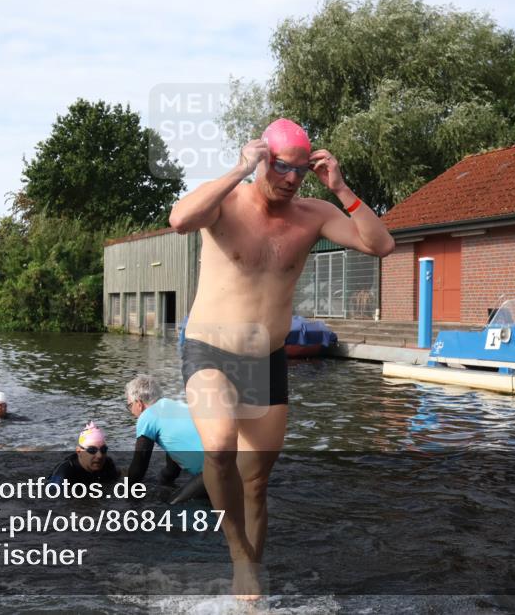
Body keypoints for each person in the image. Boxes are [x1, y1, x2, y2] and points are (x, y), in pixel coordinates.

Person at [168, 117, 394, 598]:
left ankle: (252, 584)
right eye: (281, 168)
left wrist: (341, 188)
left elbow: (382, 245)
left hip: (267, 360)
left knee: (256, 484)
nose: (291, 180)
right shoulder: (224, 203)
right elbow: (180, 220)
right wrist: (237, 170)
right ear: (261, 161)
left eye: (300, 171)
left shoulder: (312, 214)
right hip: (209, 350)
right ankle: (238, 557)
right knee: (220, 445)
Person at [124, 375, 206, 503]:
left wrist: (127, 491)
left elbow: (139, 465)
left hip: (213, 470)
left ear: (139, 404)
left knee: (173, 504)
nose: (131, 411)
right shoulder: (175, 405)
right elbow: (173, 466)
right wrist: (164, 480)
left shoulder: (147, 416)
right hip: (233, 461)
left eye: (129, 406)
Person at [48, 422, 119, 487]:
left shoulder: (108, 465)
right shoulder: (64, 473)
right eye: (92, 450)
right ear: (79, 451)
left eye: (103, 449)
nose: (99, 455)